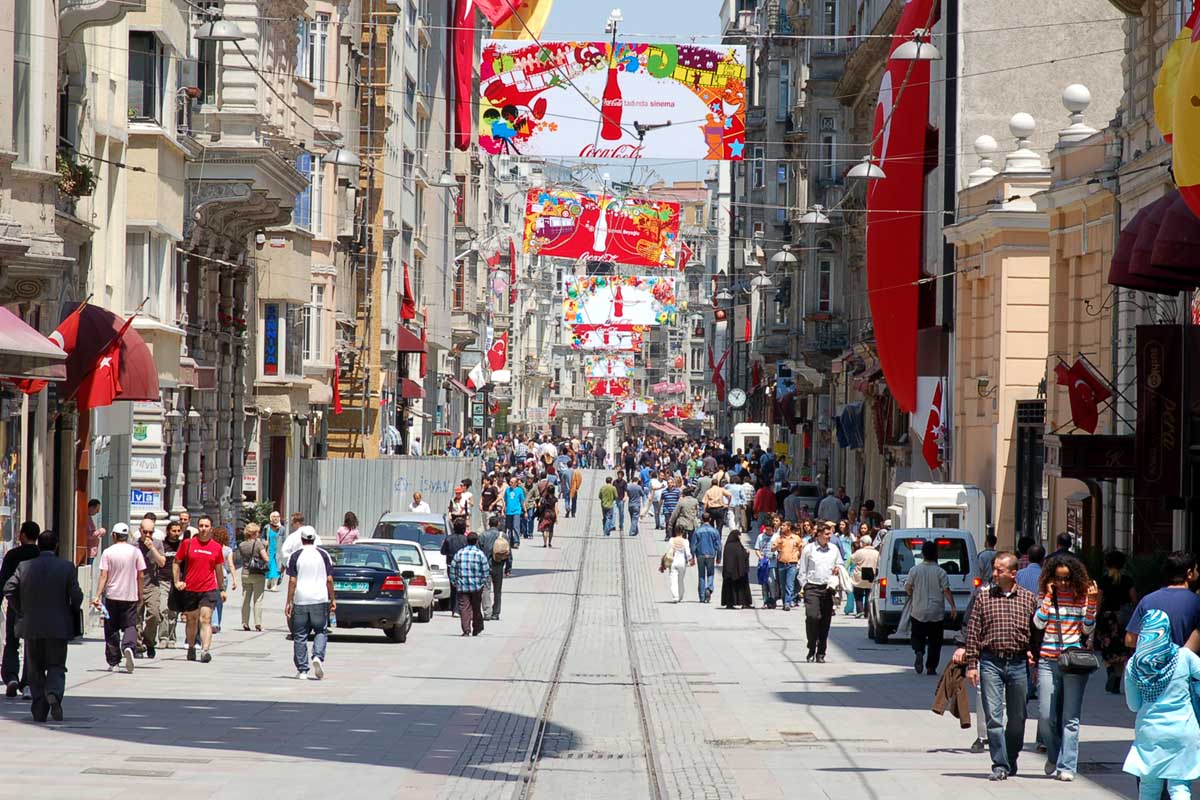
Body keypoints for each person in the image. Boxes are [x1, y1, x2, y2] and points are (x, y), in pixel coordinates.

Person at [963, 552, 1038, 781]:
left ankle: (1011, 757)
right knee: (994, 716)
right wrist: (971, 664)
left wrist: (1033, 655)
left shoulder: (1028, 598)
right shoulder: (983, 598)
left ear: (1013, 573)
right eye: (994, 569)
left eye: (999, 570)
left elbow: (1036, 632)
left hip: (1017, 663)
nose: (994, 573)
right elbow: (973, 632)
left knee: (1017, 717)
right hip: (990, 662)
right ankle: (1000, 764)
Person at [3, 530, 83, 722]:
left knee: (35, 667)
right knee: (56, 665)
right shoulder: (66, 567)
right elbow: (77, 595)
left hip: (31, 625)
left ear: (39, 546)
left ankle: (39, 707)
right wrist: (71, 609)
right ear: (56, 546)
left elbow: (8, 589)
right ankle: (54, 693)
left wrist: (19, 608)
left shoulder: (24, 566)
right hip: (58, 626)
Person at [1032, 553, 1098, 781]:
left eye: (1067, 578)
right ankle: (1054, 754)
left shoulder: (1081, 596)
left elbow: (1087, 629)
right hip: (1048, 660)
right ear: (1051, 577)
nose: (1062, 583)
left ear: (1074, 577)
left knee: (1070, 717)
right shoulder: (1046, 594)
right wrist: (1049, 596)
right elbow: (1038, 622)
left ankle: (1067, 766)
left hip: (1072, 662)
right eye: (1058, 578)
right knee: (1045, 715)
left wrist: (1092, 604)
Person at [1123, 609, 1200, 800]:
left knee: (1149, 787)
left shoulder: (1133, 665)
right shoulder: (1185, 656)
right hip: (1183, 730)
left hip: (1150, 734)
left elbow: (1133, 705)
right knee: (1180, 786)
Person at [172, 515, 227, 664]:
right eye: (201, 526)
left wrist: (221, 589)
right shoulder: (188, 544)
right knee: (191, 620)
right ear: (198, 527)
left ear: (211, 528)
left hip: (208, 588)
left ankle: (205, 651)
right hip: (190, 588)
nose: (203, 529)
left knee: (206, 619)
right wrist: (177, 581)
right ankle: (191, 647)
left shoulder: (216, 547)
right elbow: (177, 562)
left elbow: (219, 570)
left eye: (206, 526)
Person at [92, 523, 145, 674]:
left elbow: (103, 575)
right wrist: (140, 594)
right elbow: (141, 575)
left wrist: (97, 595)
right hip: (130, 595)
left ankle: (114, 661)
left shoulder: (108, 552)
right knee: (130, 625)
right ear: (126, 536)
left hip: (112, 596)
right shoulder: (135, 552)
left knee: (111, 628)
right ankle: (128, 646)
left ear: (114, 535)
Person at [285, 527, 334, 680]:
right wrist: (333, 598)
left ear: (301, 539)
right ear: (314, 538)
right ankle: (318, 656)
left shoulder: (295, 555)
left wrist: (289, 601)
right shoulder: (324, 554)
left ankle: (303, 670)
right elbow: (329, 579)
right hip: (319, 598)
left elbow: (292, 581)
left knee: (300, 635)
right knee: (321, 630)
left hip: (301, 599)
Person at [1126, 552, 1200, 652]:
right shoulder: (1196, 602)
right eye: (1196, 570)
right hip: (1188, 666)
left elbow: (1130, 640)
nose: (1198, 574)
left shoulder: (1147, 601)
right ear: (1189, 573)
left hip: (1154, 666)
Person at [905, 539, 958, 676]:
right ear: (936, 554)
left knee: (917, 635)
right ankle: (931, 667)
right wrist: (953, 607)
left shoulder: (914, 570)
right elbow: (946, 590)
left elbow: (908, 587)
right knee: (935, 641)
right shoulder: (941, 572)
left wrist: (912, 593)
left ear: (922, 554)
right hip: (936, 612)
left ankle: (919, 650)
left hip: (918, 610)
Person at [1, 521, 40, 697]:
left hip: (15, 605)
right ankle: (28, 683)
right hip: (37, 607)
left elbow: (3, 581)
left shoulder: (12, 555)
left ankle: (11, 677)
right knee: (32, 646)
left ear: (23, 535)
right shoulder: (42, 556)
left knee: (12, 643)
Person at [798, 525, 842, 662]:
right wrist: (804, 586)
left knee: (825, 621)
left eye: (830, 534)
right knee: (812, 617)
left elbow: (840, 564)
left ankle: (821, 652)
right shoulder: (809, 549)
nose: (830, 537)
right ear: (819, 535)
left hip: (828, 588)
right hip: (812, 587)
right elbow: (802, 570)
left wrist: (837, 569)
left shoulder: (834, 549)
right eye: (827, 534)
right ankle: (811, 645)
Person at [1097, 550, 1138, 694]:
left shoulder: (1104, 580)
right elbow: (1134, 599)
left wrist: (1096, 616)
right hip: (1122, 619)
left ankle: (1110, 673)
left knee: (1107, 650)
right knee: (1121, 651)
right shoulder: (1127, 580)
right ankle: (1116, 681)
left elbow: (1098, 601)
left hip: (1107, 619)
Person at [449, 532, 490, 636]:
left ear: (467, 541)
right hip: (476, 587)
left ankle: (466, 630)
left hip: (462, 586)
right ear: (476, 542)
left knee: (464, 608)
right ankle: (476, 628)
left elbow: (453, 568)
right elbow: (486, 570)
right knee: (476, 608)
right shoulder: (480, 554)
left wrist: (454, 581)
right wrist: (482, 582)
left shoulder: (459, 553)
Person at [239, 522, 269, 631]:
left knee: (246, 599)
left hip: (245, 573)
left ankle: (245, 622)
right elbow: (266, 559)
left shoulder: (242, 545)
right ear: (255, 533)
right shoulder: (258, 544)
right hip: (257, 573)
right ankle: (258, 623)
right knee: (258, 599)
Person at [691, 513, 722, 603]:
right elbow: (719, 546)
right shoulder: (715, 531)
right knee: (710, 573)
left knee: (701, 575)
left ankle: (701, 596)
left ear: (701, 519)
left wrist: (692, 557)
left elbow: (693, 545)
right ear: (710, 519)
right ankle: (709, 587)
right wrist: (719, 557)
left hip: (700, 554)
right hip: (711, 554)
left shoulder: (697, 531)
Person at [441, 519, 470, 613]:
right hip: (464, 566)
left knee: (453, 587)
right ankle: (461, 607)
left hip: (451, 565)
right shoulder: (466, 539)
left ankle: (453, 607)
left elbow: (443, 551)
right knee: (463, 587)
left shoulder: (448, 538)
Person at [721, 529, 753, 609]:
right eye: (739, 535)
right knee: (742, 586)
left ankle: (729, 603)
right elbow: (742, 556)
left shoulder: (727, 546)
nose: (740, 537)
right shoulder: (738, 546)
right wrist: (747, 554)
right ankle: (744, 603)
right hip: (740, 572)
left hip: (729, 572)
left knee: (729, 587)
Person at [849, 535, 878, 618]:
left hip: (860, 575)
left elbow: (852, 559)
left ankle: (860, 610)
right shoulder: (876, 552)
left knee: (858, 594)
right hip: (871, 576)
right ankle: (867, 612)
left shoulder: (860, 552)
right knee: (869, 595)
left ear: (863, 543)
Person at [664, 527, 693, 603]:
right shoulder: (685, 541)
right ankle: (680, 595)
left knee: (673, 580)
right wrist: (691, 559)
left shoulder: (671, 540)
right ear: (683, 532)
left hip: (673, 562)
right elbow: (687, 552)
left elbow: (668, 551)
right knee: (680, 580)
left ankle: (675, 596)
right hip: (682, 563)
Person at [264, 510, 284, 591]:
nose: (275, 518)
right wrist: (264, 541)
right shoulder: (266, 527)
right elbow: (262, 537)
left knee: (276, 567)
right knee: (269, 566)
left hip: (278, 551)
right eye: (274, 516)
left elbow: (284, 539)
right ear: (271, 518)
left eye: (277, 516)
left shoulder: (282, 529)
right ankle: (269, 581)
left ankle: (274, 585)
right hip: (269, 550)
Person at [503, 477, 526, 541]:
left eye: (512, 482)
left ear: (516, 483)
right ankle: (510, 540)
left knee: (516, 527)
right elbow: (505, 501)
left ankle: (516, 541)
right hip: (508, 511)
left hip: (516, 511)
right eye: (510, 482)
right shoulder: (507, 490)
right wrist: (503, 510)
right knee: (509, 528)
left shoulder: (519, 490)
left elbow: (522, 501)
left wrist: (525, 511)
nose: (510, 483)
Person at [86, 498, 105, 564]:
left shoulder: (89, 517)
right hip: (88, 551)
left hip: (91, 551)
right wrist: (99, 531)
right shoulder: (86, 518)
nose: (98, 512)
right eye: (97, 509)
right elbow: (88, 535)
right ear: (91, 507)